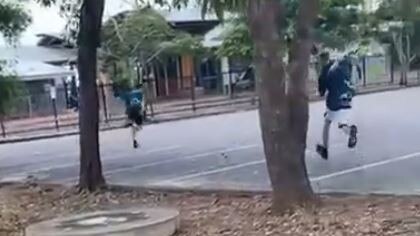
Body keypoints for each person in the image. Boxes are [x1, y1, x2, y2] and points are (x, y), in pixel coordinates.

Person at [316, 53, 359, 160]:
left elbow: (322, 91)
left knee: (327, 122)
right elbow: (354, 86)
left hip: (334, 103)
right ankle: (350, 131)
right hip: (347, 101)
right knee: (342, 123)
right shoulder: (347, 66)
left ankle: (325, 149)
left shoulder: (327, 69)